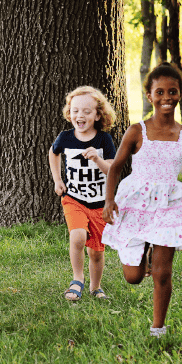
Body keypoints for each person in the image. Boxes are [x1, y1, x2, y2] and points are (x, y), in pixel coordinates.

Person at [103, 63, 182, 338]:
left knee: (162, 272)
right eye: (160, 92)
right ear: (149, 96)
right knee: (133, 277)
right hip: (136, 203)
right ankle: (142, 248)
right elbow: (116, 167)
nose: (167, 97)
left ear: (180, 93)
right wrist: (109, 200)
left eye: (173, 91)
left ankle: (158, 327)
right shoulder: (137, 131)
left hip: (169, 204)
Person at [49, 87, 117, 301]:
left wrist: (97, 159)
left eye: (87, 111)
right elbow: (53, 153)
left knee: (96, 252)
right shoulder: (65, 137)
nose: (80, 115)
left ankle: (95, 287)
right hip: (74, 199)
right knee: (77, 236)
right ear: (70, 113)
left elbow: (112, 170)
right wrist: (58, 180)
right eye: (75, 110)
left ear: (98, 115)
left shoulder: (104, 140)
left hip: (98, 203)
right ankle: (77, 279)